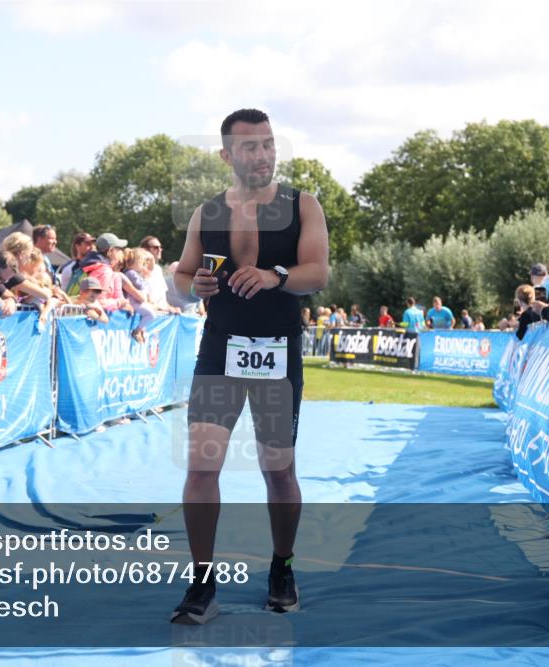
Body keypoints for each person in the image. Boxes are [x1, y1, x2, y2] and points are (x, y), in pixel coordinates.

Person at [172, 108, 329, 624]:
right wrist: (191, 285)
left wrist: (275, 276)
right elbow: (181, 277)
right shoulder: (206, 212)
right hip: (220, 350)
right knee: (201, 466)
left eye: (267, 144)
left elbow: (318, 272)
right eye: (249, 147)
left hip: (277, 350)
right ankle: (202, 582)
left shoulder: (303, 205)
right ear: (226, 155)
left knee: (278, 471)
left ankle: (282, 567)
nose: (261, 155)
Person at [122, 248, 158, 343]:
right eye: (142, 263)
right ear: (136, 262)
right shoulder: (130, 273)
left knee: (151, 312)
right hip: (133, 302)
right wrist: (144, 277)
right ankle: (136, 331)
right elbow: (140, 286)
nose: (143, 266)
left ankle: (140, 329)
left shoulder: (135, 273)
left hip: (137, 301)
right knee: (151, 314)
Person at [140, 235, 171, 311]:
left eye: (160, 247)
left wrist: (170, 308)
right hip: (149, 313)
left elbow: (163, 298)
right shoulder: (138, 270)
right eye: (156, 247)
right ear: (145, 250)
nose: (160, 250)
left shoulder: (158, 269)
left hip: (162, 315)